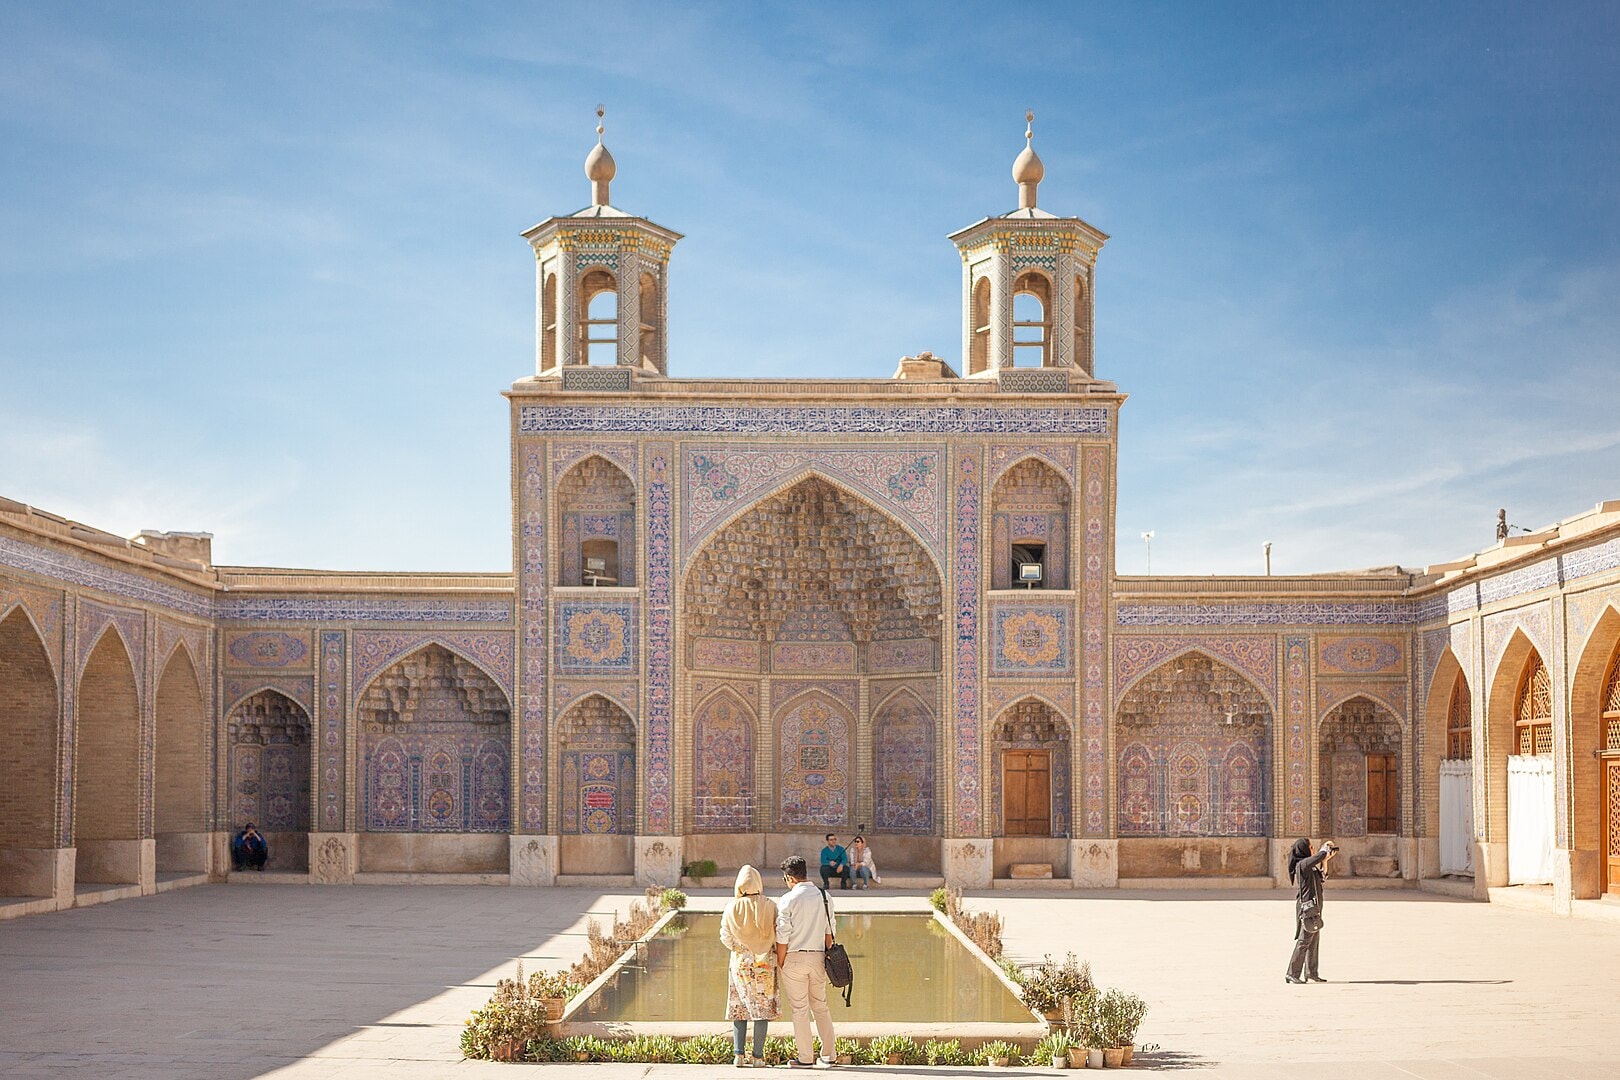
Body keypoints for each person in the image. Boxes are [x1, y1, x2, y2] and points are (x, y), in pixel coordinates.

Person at [775, 855, 836, 1068]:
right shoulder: (824, 895)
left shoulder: (788, 899)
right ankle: (829, 1054)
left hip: (794, 958)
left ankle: (806, 1058)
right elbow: (829, 934)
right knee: (820, 1006)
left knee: (800, 1010)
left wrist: (781, 963)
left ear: (789, 878)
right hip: (818, 957)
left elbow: (782, 937)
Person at [720, 865, 779, 1068]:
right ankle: (758, 1057)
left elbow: (725, 937)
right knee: (762, 1008)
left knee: (739, 1007)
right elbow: (779, 934)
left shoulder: (731, 907)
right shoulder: (770, 905)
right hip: (765, 963)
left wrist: (740, 948)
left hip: (740, 963)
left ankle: (738, 1055)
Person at [1285, 837, 1336, 984]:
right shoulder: (1302, 865)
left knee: (1314, 940)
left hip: (1315, 908)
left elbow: (1322, 878)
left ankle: (1311, 973)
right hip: (1307, 908)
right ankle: (1292, 973)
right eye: (1310, 847)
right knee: (1304, 940)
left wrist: (1325, 861)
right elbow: (1318, 856)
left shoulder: (1310, 866)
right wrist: (1325, 847)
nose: (1312, 849)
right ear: (1304, 849)